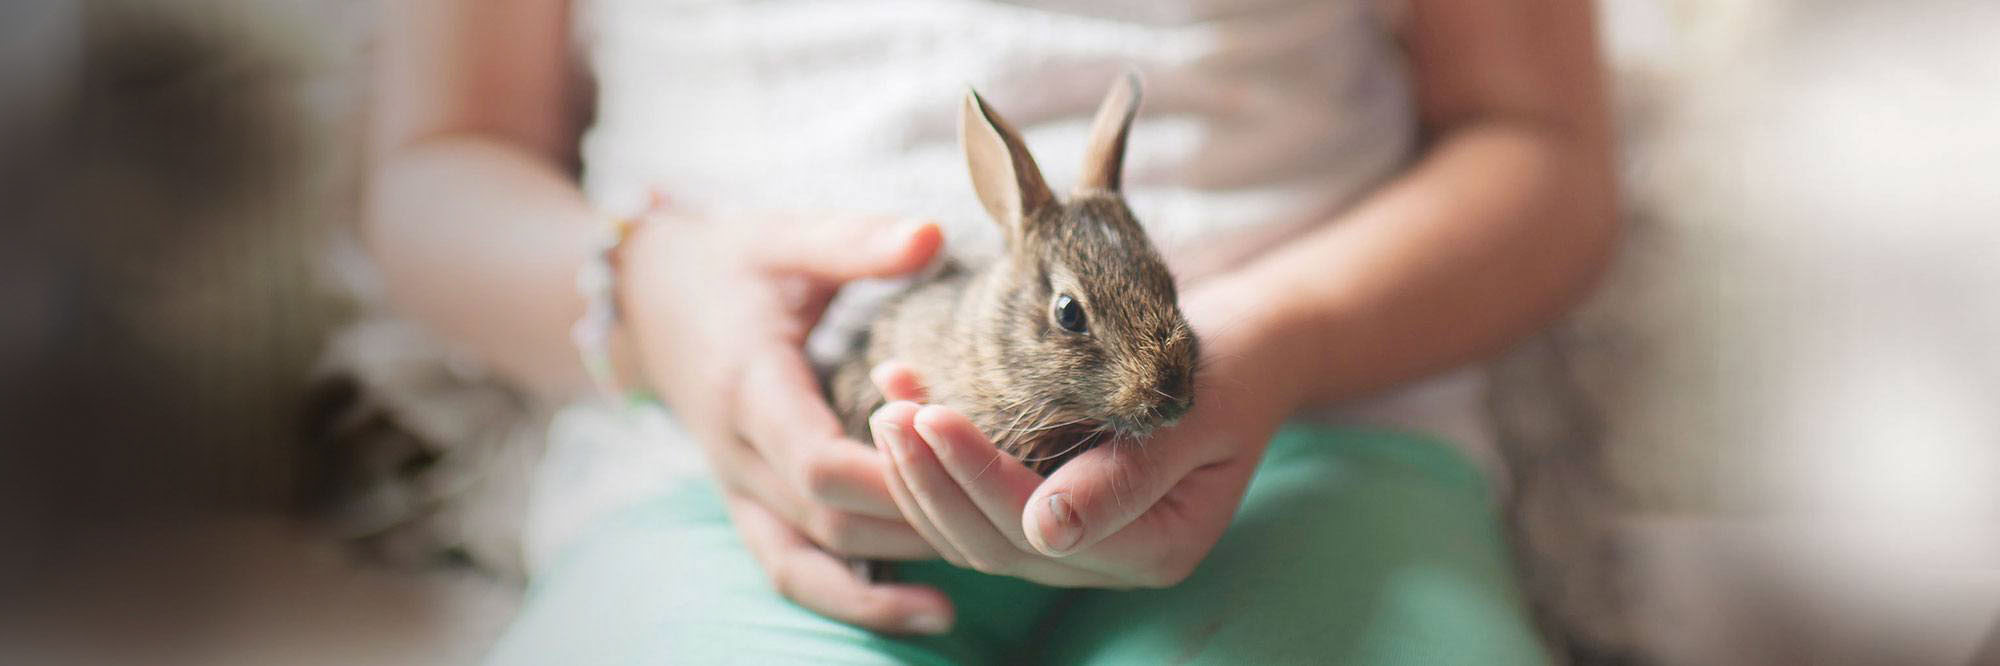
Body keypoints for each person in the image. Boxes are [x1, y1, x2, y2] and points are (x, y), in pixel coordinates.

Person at [364, 0, 1617, 663]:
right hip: (733, 477)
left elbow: (1545, 151)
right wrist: (645, 297)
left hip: (1314, 441)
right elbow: (431, 172)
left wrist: (1279, 335)